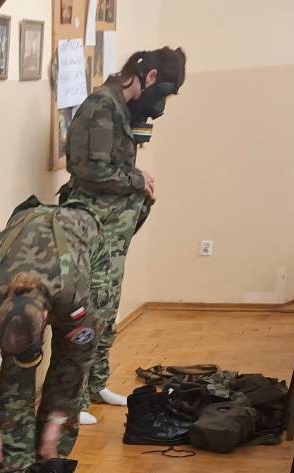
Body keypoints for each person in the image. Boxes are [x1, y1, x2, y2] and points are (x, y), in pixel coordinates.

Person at [0, 197, 108, 473]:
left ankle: (50, 462)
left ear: (45, 317)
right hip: (25, 221)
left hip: (82, 227)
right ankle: (13, 465)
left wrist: (55, 425)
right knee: (15, 373)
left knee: (66, 372)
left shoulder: (73, 300)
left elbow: (74, 366)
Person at [60, 47, 186, 425]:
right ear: (150, 77)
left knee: (107, 308)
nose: (160, 103)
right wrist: (136, 178)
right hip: (92, 225)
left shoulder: (122, 108)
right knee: (89, 310)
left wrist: (137, 180)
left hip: (113, 229)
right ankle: (71, 399)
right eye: (162, 92)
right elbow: (89, 171)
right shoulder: (101, 106)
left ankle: (96, 384)